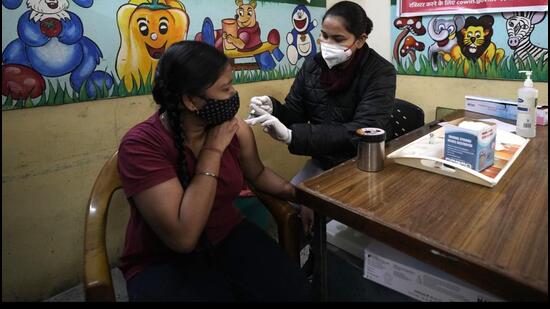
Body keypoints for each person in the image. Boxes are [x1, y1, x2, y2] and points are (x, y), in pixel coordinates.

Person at [117, 40, 312, 302]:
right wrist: (212, 152)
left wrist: (303, 196)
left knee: (295, 292)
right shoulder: (142, 145)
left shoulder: (233, 128)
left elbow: (258, 175)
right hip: (163, 258)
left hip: (228, 234)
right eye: (225, 88)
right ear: (191, 100)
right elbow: (183, 237)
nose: (234, 94)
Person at [246, 1, 397, 236]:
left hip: (359, 164)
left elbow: (361, 131)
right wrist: (273, 109)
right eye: (324, 36)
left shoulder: (380, 72)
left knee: (336, 228)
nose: (328, 45)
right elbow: (295, 113)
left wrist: (294, 137)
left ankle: (323, 259)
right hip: (322, 160)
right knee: (290, 210)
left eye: (338, 39)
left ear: (360, 39)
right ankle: (302, 262)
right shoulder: (313, 65)